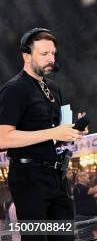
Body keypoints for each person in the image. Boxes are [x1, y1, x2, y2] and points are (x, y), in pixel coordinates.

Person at [0, 28, 84, 241]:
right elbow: (3, 138)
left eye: (53, 53)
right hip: (28, 179)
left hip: (57, 178)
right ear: (26, 56)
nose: (51, 59)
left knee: (65, 237)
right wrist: (53, 132)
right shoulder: (14, 90)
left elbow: (53, 135)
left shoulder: (53, 88)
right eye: (44, 54)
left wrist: (69, 132)